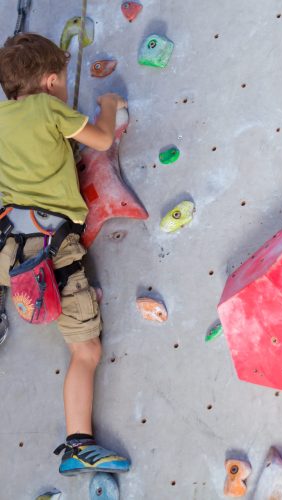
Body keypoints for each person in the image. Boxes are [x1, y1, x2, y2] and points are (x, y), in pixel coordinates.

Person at [0, 33, 131, 476]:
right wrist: (109, 104)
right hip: (52, 249)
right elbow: (101, 139)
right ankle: (78, 445)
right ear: (53, 80)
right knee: (86, 351)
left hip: (7, 245)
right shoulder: (48, 107)